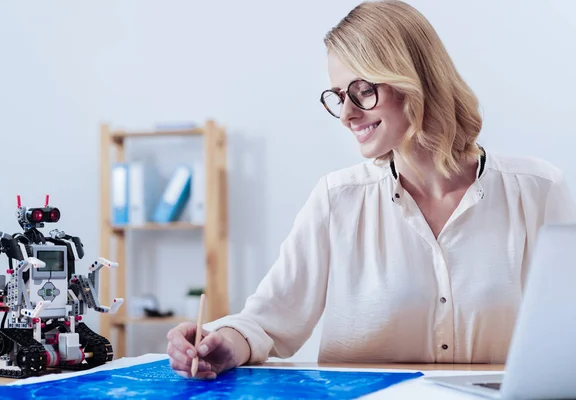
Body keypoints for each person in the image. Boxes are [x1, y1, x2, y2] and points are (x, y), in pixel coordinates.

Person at [167, 0, 576, 379]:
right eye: (339, 96)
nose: (347, 114)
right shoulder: (337, 199)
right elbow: (266, 321)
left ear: (415, 80)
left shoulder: (537, 191)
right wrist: (225, 344)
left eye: (363, 91)